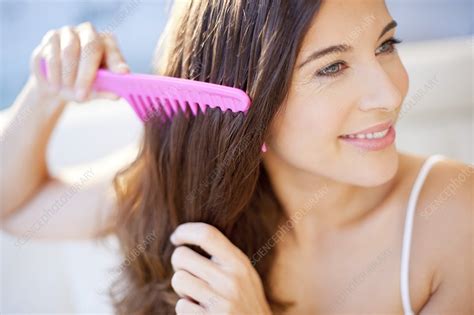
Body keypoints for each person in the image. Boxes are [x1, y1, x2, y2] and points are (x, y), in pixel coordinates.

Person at [1, 0, 472, 314]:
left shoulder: (453, 220)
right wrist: (46, 92)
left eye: (386, 44)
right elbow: (15, 208)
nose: (389, 94)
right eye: (332, 66)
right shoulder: (182, 187)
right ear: (244, 96)